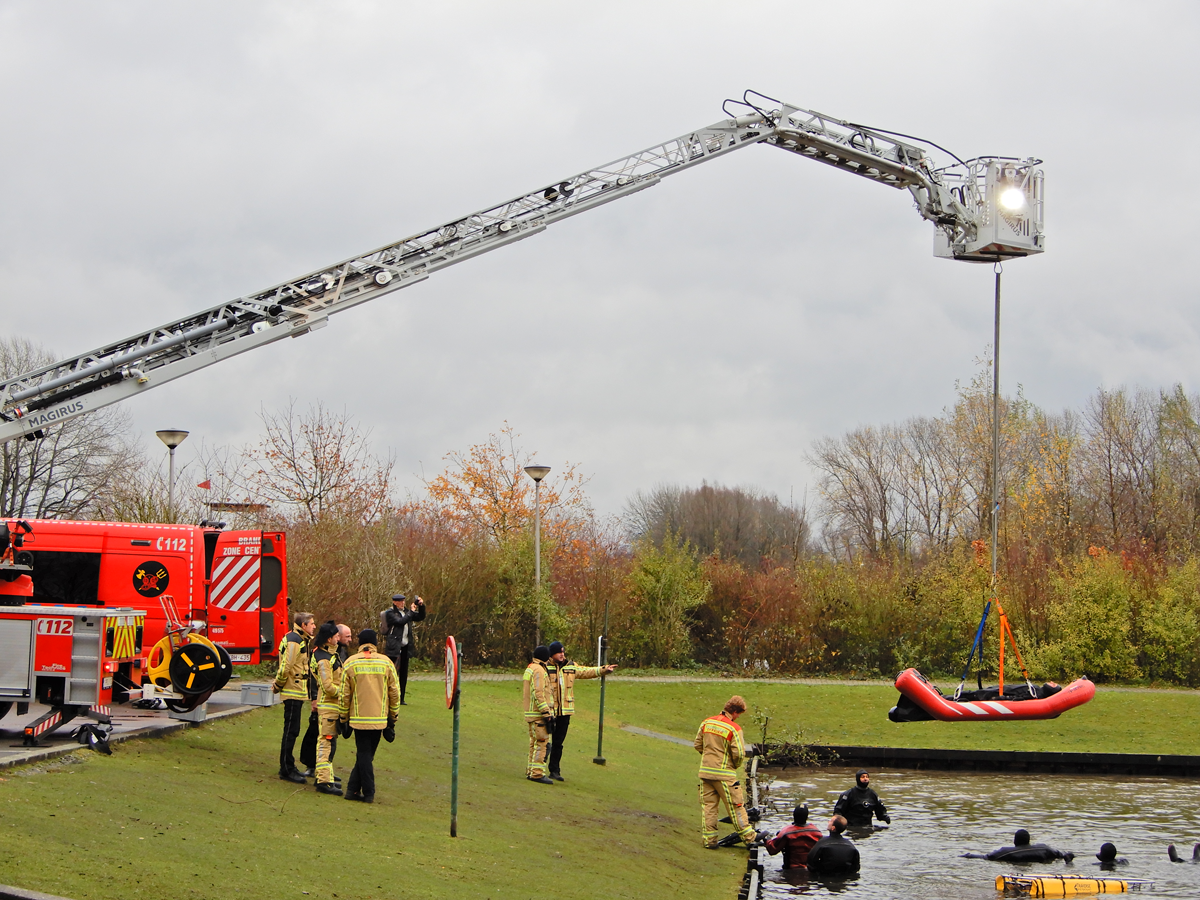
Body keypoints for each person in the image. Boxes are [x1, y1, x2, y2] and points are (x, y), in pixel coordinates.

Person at [338, 628, 401, 803]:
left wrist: (343, 718)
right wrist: (393, 718)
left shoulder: (350, 663)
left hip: (358, 718)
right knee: (367, 754)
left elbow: (345, 694)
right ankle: (368, 791)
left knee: (364, 753)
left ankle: (352, 790)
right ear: (374, 643)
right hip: (380, 719)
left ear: (360, 643)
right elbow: (394, 692)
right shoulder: (386, 662)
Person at [544, 640, 616, 781]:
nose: (562, 654)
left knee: (558, 743)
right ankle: (537, 769)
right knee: (544, 741)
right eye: (559, 652)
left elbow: (586, 671)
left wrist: (603, 670)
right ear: (552, 654)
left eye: (563, 652)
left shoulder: (571, 666)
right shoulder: (545, 667)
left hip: (565, 712)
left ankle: (554, 770)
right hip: (550, 711)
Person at [695, 695, 758, 849]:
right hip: (724, 774)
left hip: (705, 773)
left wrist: (709, 757)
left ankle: (710, 841)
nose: (738, 718)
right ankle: (750, 838)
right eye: (739, 714)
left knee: (709, 807)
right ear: (735, 712)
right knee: (736, 806)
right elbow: (739, 754)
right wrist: (733, 765)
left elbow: (698, 744)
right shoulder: (733, 728)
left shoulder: (707, 722)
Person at [272, 612, 315, 783]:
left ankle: (288, 765)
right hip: (292, 691)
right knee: (290, 731)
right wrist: (278, 685)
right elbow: (286, 666)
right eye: (311, 624)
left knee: (293, 730)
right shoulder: (294, 640)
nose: (313, 627)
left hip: (296, 690)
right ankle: (286, 768)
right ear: (303, 625)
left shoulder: (299, 639)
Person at [310, 621, 344, 795]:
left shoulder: (329, 654)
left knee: (330, 742)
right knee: (326, 742)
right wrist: (344, 692)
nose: (339, 638)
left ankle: (326, 777)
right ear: (329, 639)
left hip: (333, 706)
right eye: (336, 635)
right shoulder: (323, 658)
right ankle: (323, 780)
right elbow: (328, 687)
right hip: (329, 706)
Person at [379, 593, 426, 705]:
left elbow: (420, 617)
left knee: (404, 673)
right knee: (392, 672)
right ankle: (388, 695)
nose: (402, 603)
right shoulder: (390, 613)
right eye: (400, 601)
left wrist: (421, 606)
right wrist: (411, 612)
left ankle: (401, 698)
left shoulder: (406, 612)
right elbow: (400, 622)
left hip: (405, 646)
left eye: (403, 601)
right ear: (394, 602)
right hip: (394, 646)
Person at [523, 645, 555, 784]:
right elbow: (539, 693)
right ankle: (537, 774)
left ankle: (531, 771)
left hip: (531, 713)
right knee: (542, 743)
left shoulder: (530, 668)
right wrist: (546, 712)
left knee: (534, 744)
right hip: (538, 714)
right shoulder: (539, 670)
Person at [765, 804, 823, 869]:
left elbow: (772, 850)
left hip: (791, 870)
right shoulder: (817, 833)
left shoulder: (787, 832)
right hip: (811, 870)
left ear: (794, 816)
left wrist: (767, 838)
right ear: (807, 817)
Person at [962, 829, 1074, 862]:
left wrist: (968, 855)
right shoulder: (1044, 848)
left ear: (1015, 841)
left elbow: (985, 857)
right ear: (1029, 840)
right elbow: (1062, 855)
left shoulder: (1005, 852)